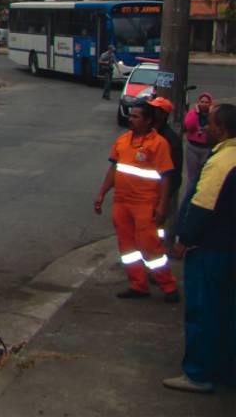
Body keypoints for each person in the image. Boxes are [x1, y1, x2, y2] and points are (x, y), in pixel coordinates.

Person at [163, 102, 236, 394]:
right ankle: (224, 369)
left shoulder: (222, 161)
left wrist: (184, 239)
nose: (204, 128)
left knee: (203, 312)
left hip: (211, 250)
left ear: (223, 129)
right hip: (226, 247)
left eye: (210, 124)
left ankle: (198, 373)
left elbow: (203, 206)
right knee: (226, 312)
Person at [94, 100, 179, 302]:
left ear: (148, 120)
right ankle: (138, 285)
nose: (130, 119)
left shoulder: (159, 144)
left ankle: (169, 286)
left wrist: (162, 205)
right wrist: (102, 193)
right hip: (122, 201)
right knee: (127, 247)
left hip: (145, 202)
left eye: (135, 116)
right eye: (131, 115)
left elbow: (166, 177)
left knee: (150, 246)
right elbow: (114, 169)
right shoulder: (123, 140)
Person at [148, 96, 183, 244]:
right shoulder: (148, 132)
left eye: (154, 109)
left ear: (163, 114)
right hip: (145, 195)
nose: (150, 111)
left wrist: (164, 200)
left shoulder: (170, 140)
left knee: (156, 233)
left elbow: (174, 174)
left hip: (158, 197)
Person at [183, 91, 214, 191]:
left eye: (206, 102)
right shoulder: (192, 113)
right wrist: (196, 113)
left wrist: (210, 114)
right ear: (198, 102)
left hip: (207, 148)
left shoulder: (213, 115)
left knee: (204, 175)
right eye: (202, 101)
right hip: (193, 147)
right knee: (192, 176)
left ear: (210, 104)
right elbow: (189, 126)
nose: (204, 104)